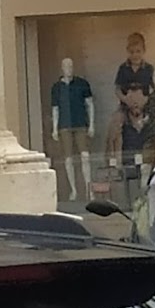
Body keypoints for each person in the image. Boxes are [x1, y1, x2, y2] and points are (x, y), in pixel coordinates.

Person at [50, 57, 94, 201]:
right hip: (64, 125)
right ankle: (73, 190)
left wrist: (91, 124)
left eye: (70, 66)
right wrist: (55, 128)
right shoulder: (57, 88)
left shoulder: (82, 84)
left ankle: (88, 189)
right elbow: (55, 109)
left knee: (85, 156)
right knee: (68, 158)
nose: (69, 68)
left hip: (80, 123)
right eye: (66, 66)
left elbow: (90, 105)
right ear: (62, 68)